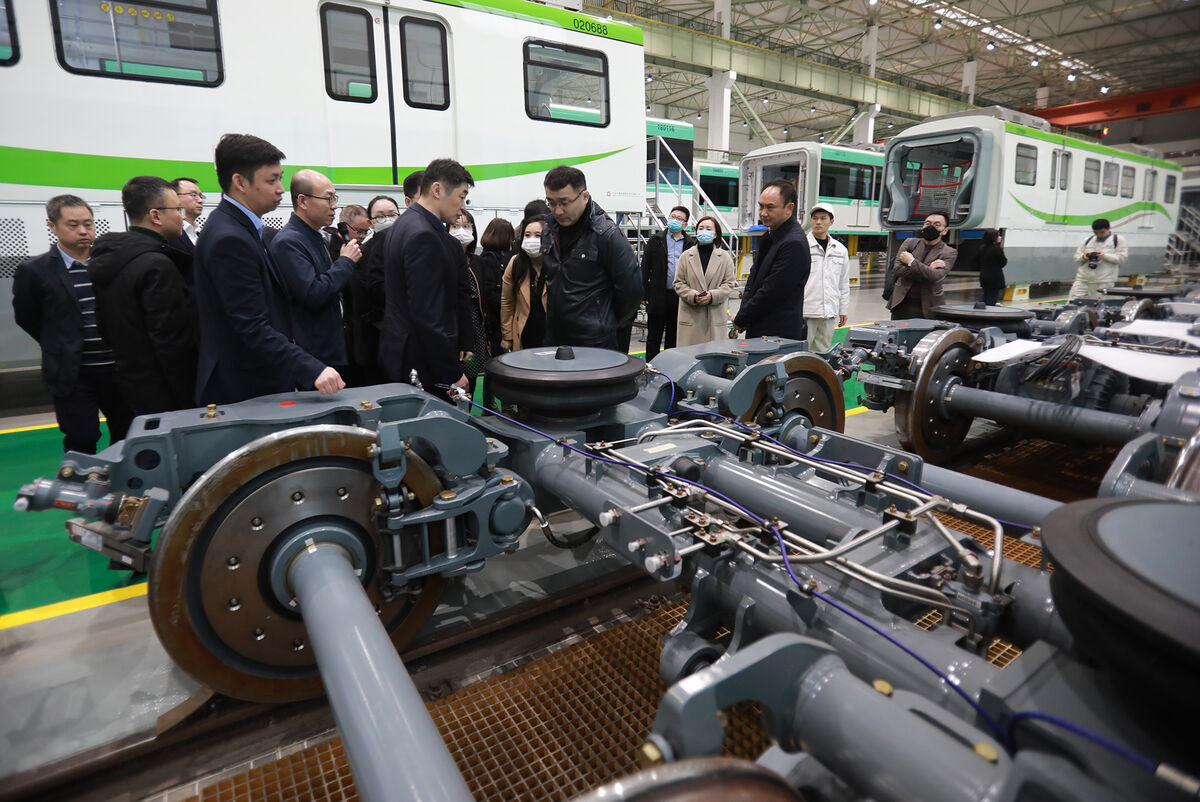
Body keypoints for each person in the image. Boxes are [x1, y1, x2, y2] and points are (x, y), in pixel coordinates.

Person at [193, 134, 344, 405]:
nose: (281, 189)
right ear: (240, 182)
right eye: (271, 180)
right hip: (243, 385)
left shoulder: (247, 229)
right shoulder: (230, 238)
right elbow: (251, 325)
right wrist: (312, 368)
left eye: (280, 178)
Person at [13, 195, 133, 453]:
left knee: (127, 435)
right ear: (52, 226)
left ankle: (121, 489)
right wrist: (61, 342)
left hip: (117, 369)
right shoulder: (35, 271)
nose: (82, 231)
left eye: (88, 224)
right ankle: (80, 490)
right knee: (82, 437)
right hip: (73, 373)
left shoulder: (111, 264)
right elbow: (27, 316)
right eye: (73, 224)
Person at [87, 176, 197, 414]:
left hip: (130, 383)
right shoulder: (157, 264)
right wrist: (188, 396)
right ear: (156, 216)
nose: (182, 215)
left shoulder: (108, 257)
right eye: (177, 209)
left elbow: (104, 327)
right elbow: (172, 344)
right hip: (164, 393)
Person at [381, 159, 473, 394]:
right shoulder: (424, 235)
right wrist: (451, 373)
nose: (463, 206)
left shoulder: (405, 223)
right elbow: (427, 316)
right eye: (461, 196)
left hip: (402, 351)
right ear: (437, 190)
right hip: (421, 361)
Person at [540, 166, 641, 351]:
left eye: (564, 202)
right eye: (551, 203)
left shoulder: (606, 235)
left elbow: (631, 294)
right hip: (555, 338)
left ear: (585, 197)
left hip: (595, 343)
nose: (558, 211)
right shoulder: (548, 230)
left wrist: (604, 323)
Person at [269, 169, 360, 371]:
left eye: (334, 198)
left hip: (335, 344)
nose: (334, 206)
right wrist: (345, 262)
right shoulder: (289, 242)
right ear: (302, 201)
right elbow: (313, 293)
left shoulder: (315, 236)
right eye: (328, 199)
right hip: (316, 353)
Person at [733, 179, 810, 340]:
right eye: (761, 206)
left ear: (789, 208)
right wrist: (744, 314)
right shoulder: (771, 236)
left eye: (770, 207)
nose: (763, 213)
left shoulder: (793, 243)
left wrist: (743, 318)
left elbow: (772, 291)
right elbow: (753, 281)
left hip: (778, 335)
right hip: (761, 329)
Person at [673, 215, 737, 347]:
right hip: (691, 317)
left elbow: (729, 284)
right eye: (701, 228)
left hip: (715, 317)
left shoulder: (725, 257)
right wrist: (693, 296)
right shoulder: (686, 256)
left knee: (713, 359)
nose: (704, 231)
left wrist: (712, 296)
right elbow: (678, 283)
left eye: (708, 228)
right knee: (689, 358)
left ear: (715, 234)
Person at [642, 205, 695, 360]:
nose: (674, 220)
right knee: (654, 336)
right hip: (657, 295)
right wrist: (644, 293)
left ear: (685, 224)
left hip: (679, 296)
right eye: (672, 217)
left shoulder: (690, 244)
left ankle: (670, 367)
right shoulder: (655, 240)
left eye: (679, 219)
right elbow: (645, 268)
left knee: (673, 336)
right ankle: (650, 367)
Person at [887, 211, 957, 320]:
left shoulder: (949, 252)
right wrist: (928, 268)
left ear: (945, 231)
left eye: (937, 224)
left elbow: (935, 276)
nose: (931, 227)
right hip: (901, 304)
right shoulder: (909, 243)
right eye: (927, 223)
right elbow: (898, 269)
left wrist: (911, 262)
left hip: (928, 308)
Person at [802, 202, 850, 353]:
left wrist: (843, 309)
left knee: (823, 353)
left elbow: (843, 282)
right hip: (805, 311)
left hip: (829, 312)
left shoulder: (840, 250)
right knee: (801, 352)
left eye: (823, 218)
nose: (818, 222)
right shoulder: (801, 246)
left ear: (831, 221)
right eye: (815, 218)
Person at [451, 209, 490, 394]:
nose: (461, 230)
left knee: (473, 374)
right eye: (455, 226)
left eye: (466, 226)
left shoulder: (477, 261)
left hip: (475, 326)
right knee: (453, 380)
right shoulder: (442, 260)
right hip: (452, 327)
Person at [477, 217, 513, 407]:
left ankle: (492, 403)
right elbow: (492, 296)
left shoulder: (497, 258)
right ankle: (495, 403)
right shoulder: (489, 260)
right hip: (495, 323)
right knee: (498, 366)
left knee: (497, 366)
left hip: (498, 322)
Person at [501, 215, 549, 355]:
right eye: (527, 235)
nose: (531, 239)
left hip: (552, 336)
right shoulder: (516, 263)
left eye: (538, 235)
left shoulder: (557, 264)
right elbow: (507, 302)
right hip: (524, 334)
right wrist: (507, 335)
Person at [1069, 218, 1127, 300]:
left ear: (1108, 228)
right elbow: (1076, 257)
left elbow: (1122, 258)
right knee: (1072, 302)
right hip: (1083, 279)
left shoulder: (1117, 240)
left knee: (1097, 305)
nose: (1099, 235)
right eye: (1096, 233)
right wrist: (1084, 257)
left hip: (1104, 281)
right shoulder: (1088, 240)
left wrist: (1104, 256)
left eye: (1102, 232)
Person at [168, 176, 204, 259]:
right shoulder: (169, 233)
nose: (200, 200)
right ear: (175, 197)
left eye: (201, 196)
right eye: (193, 195)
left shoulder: (200, 232)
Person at [976, 229, 1008, 306]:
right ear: (994, 237)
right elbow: (1003, 262)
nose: (1000, 237)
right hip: (995, 277)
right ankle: (988, 313)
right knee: (992, 297)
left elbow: (976, 261)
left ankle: (979, 310)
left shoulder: (982, 248)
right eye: (998, 235)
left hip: (984, 275)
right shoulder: (997, 249)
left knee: (985, 295)